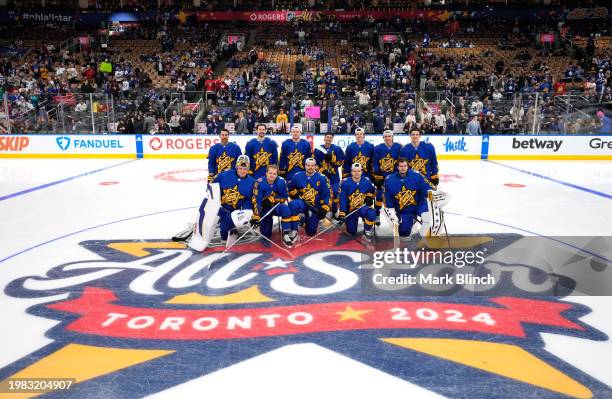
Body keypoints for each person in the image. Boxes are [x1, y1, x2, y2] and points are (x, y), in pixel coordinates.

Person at [383, 158, 431, 239]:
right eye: (401, 166)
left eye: (405, 166)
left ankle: (422, 237)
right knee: (404, 233)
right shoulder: (390, 179)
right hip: (404, 210)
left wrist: (432, 195)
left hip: (419, 205)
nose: (403, 168)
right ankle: (411, 220)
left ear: (408, 166)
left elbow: (425, 190)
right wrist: (391, 210)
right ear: (397, 167)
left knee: (427, 216)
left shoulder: (416, 175)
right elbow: (388, 197)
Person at [213, 155, 256, 242]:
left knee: (226, 235)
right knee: (222, 234)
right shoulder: (225, 175)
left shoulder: (252, 182)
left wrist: (245, 211)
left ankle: (230, 225)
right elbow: (212, 186)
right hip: (222, 208)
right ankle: (223, 222)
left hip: (235, 212)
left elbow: (248, 200)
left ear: (248, 169)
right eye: (240, 168)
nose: (242, 171)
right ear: (236, 167)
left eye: (245, 169)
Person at [287, 158, 331, 241]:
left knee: (311, 231)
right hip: (302, 203)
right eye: (308, 165)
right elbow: (289, 188)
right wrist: (294, 193)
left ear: (315, 166)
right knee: (293, 205)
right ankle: (294, 230)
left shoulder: (322, 178)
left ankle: (302, 219)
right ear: (305, 166)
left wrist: (324, 208)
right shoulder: (297, 176)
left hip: (315, 205)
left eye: (312, 165)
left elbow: (327, 194)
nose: (310, 167)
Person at [251, 165, 293, 245]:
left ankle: (286, 233)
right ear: (266, 173)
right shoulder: (259, 183)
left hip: (276, 206)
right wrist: (256, 216)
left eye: (274, 174)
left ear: (277, 174)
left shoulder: (281, 181)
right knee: (266, 234)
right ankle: (265, 225)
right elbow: (257, 200)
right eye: (270, 173)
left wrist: (274, 199)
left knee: (286, 210)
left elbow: (284, 197)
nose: (272, 175)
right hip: (264, 208)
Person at [337, 163, 376, 239]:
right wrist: (342, 213)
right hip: (350, 210)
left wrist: (369, 196)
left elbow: (372, 190)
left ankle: (367, 230)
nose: (357, 173)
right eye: (354, 171)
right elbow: (343, 199)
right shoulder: (345, 183)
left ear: (361, 171)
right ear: (351, 172)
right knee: (351, 232)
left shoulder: (366, 181)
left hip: (362, 207)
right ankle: (347, 225)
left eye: (358, 171)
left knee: (371, 213)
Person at [372, 129, 402, 220]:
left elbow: (402, 161)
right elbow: (375, 163)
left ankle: (398, 214)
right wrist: (377, 175)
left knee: (397, 197)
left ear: (392, 137)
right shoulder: (378, 148)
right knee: (379, 197)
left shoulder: (398, 147)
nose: (387, 138)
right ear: (383, 138)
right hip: (382, 178)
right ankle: (377, 214)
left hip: (395, 178)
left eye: (389, 136)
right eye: (385, 136)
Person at [314, 132, 345, 215]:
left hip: (334, 176)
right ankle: (320, 212)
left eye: (330, 137)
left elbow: (341, 162)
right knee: (320, 194)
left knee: (335, 193)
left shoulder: (337, 149)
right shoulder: (318, 149)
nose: (329, 138)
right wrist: (321, 171)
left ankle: (334, 211)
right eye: (327, 137)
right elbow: (313, 163)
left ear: (332, 139)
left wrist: (333, 160)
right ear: (324, 138)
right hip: (321, 177)